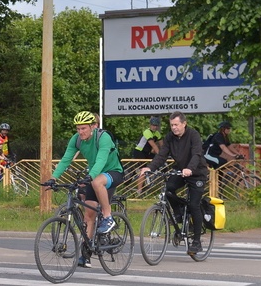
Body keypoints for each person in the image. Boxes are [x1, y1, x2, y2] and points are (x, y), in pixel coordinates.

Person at [45, 111, 124, 267]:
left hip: (113, 171)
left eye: (84, 128)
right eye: (78, 129)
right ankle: (86, 255)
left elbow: (101, 160)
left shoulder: (103, 137)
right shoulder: (76, 140)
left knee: (96, 183)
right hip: (95, 174)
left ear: (93, 126)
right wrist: (53, 178)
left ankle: (108, 218)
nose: (80, 132)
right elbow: (66, 159)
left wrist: (91, 175)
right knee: (89, 214)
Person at [139, 111, 209, 255]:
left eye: (177, 124)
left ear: (184, 123)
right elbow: (162, 155)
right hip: (180, 171)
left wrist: (190, 168)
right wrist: (150, 168)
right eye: (172, 125)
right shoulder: (170, 137)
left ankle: (196, 242)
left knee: (194, 204)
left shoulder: (193, 135)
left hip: (196, 173)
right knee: (168, 188)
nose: (174, 128)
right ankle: (179, 213)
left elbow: (197, 153)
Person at [132, 116, 163, 194]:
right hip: (139, 152)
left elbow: (162, 145)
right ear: (150, 125)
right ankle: (139, 191)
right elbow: (154, 146)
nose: (154, 127)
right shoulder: (147, 132)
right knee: (144, 170)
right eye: (153, 125)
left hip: (147, 153)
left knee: (158, 162)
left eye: (156, 125)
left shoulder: (157, 133)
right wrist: (161, 155)